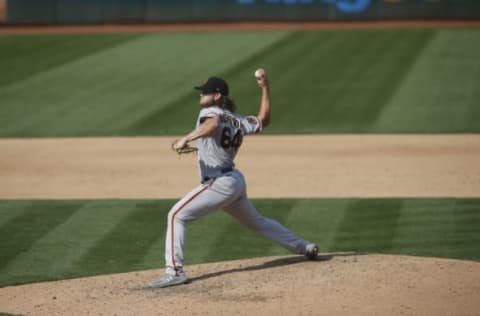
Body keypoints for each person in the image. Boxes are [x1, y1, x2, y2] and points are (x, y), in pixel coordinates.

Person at [148, 70, 318, 288]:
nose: (201, 96)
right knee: (257, 222)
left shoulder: (210, 112)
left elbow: (212, 126)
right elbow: (263, 121)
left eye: (205, 92)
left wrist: (186, 138)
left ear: (217, 95)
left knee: (176, 216)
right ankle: (304, 246)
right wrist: (265, 87)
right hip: (234, 182)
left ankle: (175, 272)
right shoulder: (238, 120)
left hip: (219, 184)